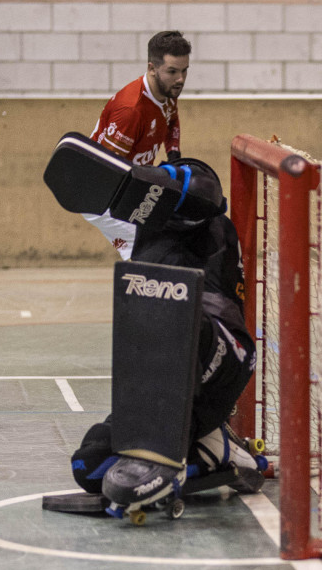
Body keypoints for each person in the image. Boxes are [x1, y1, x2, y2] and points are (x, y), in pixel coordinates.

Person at [69, 157, 263, 504]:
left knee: (176, 320)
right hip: (166, 378)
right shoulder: (140, 230)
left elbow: (205, 188)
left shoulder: (209, 219)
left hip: (224, 351)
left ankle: (200, 452)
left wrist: (140, 176)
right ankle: (209, 449)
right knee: (89, 464)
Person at [85, 30, 192, 260]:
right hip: (100, 192)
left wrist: (174, 156)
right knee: (150, 249)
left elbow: (171, 118)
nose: (180, 79)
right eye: (172, 71)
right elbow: (107, 171)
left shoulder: (167, 90)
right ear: (152, 68)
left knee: (166, 236)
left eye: (184, 70)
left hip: (133, 181)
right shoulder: (131, 111)